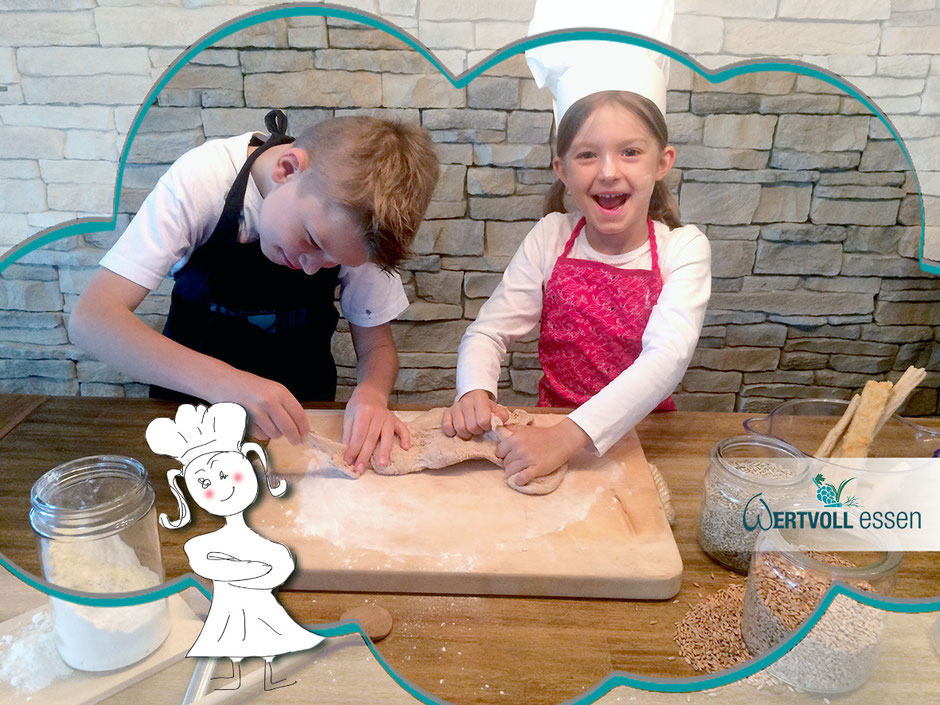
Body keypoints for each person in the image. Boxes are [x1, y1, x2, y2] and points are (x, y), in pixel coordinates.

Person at [70, 109, 439, 474]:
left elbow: (376, 345)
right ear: (288, 169)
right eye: (311, 241)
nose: (312, 267)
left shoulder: (360, 230)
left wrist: (373, 394)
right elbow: (93, 319)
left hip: (301, 414)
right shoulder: (203, 180)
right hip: (188, 414)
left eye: (332, 262)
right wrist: (226, 384)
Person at [443, 0, 710, 489]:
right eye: (587, 155)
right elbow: (488, 333)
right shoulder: (550, 237)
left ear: (662, 161)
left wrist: (566, 438)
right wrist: (474, 391)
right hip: (548, 432)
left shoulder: (683, 249)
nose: (609, 171)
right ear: (562, 169)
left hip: (644, 438)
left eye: (630, 151)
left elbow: (665, 359)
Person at [147, 402, 320, 691]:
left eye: (229, 475)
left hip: (305, 401)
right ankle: (232, 676)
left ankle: (269, 675)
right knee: (232, 642)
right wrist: (255, 568)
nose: (222, 487)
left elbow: (280, 568)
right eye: (205, 482)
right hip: (169, 398)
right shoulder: (205, 542)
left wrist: (242, 569)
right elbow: (205, 563)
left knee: (269, 640)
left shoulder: (264, 539)